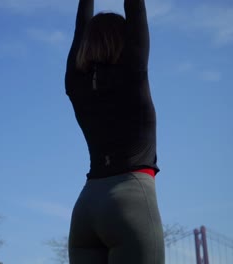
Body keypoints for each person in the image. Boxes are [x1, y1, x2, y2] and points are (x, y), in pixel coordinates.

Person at [65, 0, 165, 263]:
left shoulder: (75, 83)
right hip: (130, 200)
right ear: (125, 39)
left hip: (86, 207)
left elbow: (79, 30)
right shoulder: (133, 71)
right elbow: (137, 9)